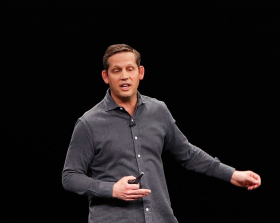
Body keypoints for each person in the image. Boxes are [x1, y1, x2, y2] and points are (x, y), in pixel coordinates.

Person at [62, 44, 261, 221]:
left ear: (140, 72)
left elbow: (188, 154)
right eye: (116, 70)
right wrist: (111, 189)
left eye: (130, 69)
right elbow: (70, 176)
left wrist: (232, 174)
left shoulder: (158, 111)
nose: (124, 76)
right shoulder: (89, 123)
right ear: (106, 76)